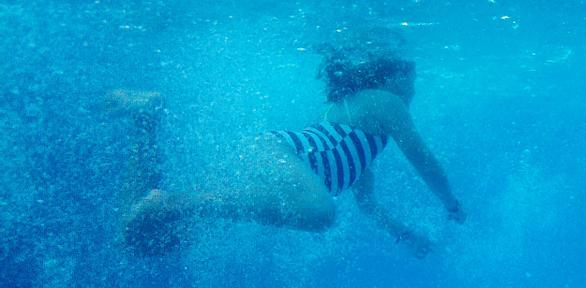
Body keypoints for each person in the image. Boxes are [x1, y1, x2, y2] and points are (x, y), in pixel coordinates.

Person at [112, 47, 465, 258]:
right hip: (277, 152)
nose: (413, 91)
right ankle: (169, 203)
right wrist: (450, 203)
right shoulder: (385, 102)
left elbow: (368, 206)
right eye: (410, 82)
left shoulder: (360, 147)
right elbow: (424, 160)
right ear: (387, 80)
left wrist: (407, 236)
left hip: (270, 158)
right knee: (321, 212)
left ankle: (146, 119)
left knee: (146, 240)